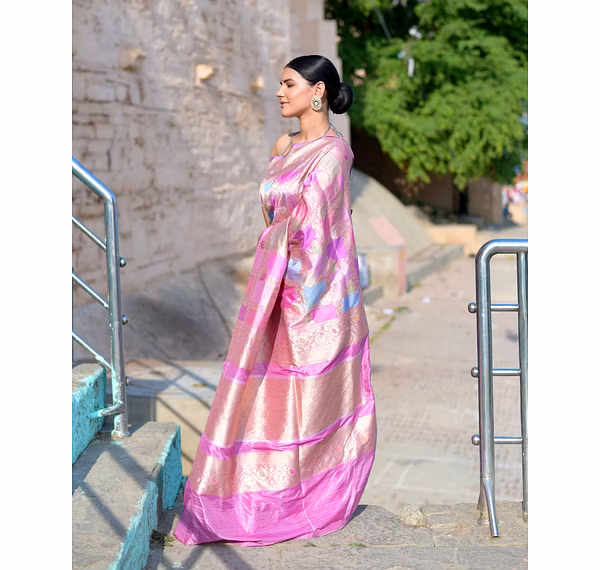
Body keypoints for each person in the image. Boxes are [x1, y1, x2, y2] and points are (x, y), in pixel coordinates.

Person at [174, 55, 377, 547]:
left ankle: (307, 498)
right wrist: (274, 275)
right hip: (271, 289)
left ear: (318, 92)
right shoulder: (283, 146)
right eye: (281, 84)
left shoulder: (334, 153)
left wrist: (294, 291)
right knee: (259, 393)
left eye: (289, 84)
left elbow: (323, 233)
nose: (280, 93)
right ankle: (249, 493)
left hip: (315, 297)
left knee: (307, 399)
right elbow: (273, 218)